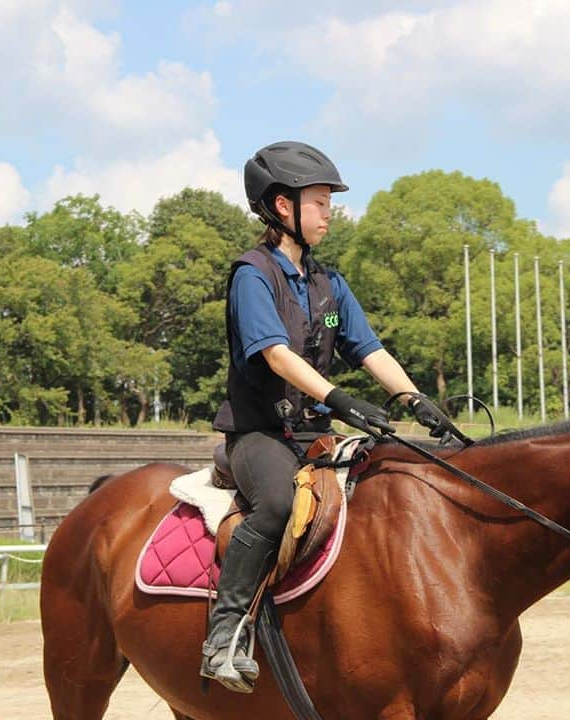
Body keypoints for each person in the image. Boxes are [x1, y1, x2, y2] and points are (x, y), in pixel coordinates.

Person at [202, 141, 454, 692]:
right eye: (319, 201)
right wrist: (340, 398)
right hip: (262, 434)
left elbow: (368, 348)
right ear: (282, 206)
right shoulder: (252, 275)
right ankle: (224, 635)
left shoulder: (328, 284)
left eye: (328, 202)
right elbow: (275, 354)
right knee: (275, 506)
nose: (329, 211)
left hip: (315, 434)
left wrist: (416, 401)